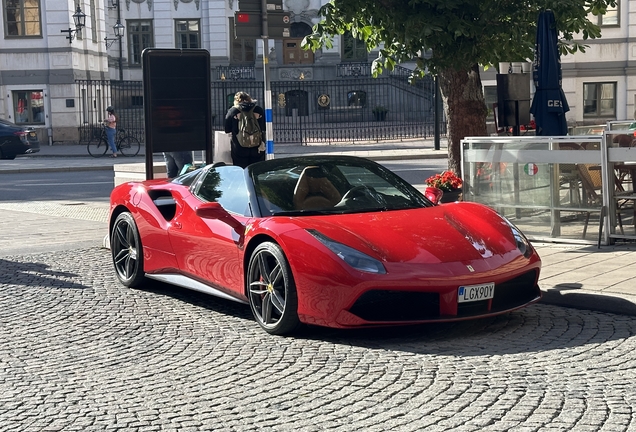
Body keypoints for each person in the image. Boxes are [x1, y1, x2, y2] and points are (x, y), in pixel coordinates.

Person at [224, 92, 266, 168]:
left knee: (241, 170)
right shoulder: (258, 110)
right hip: (257, 147)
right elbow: (263, 127)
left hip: (239, 147)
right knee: (256, 170)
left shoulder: (233, 111)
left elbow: (227, 129)